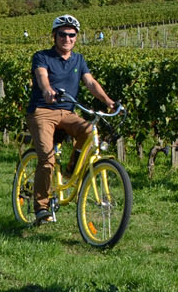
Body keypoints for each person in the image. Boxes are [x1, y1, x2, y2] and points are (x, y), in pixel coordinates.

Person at [27, 14, 115, 222]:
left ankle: (72, 167)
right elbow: (42, 76)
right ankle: (41, 206)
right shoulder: (42, 56)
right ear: (54, 36)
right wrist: (47, 90)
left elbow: (90, 83)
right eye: (62, 34)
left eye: (72, 35)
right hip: (42, 111)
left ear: (76, 37)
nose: (67, 39)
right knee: (47, 160)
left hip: (68, 112)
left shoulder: (79, 59)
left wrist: (108, 102)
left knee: (89, 130)